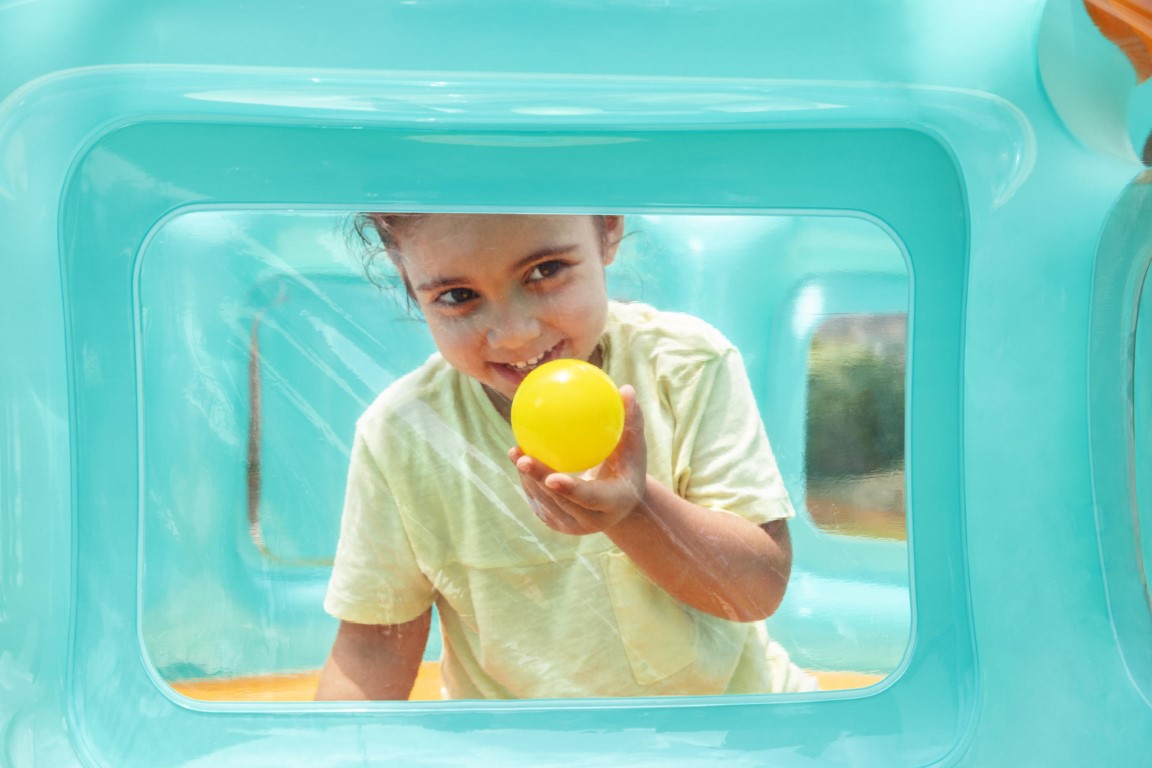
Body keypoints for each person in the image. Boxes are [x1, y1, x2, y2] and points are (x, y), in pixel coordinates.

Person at [315, 213, 815, 700]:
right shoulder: (402, 434)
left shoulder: (683, 367)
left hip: (725, 728)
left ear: (608, 228)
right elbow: (375, 646)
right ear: (405, 274)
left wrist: (637, 510)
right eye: (458, 296)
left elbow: (757, 591)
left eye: (545, 270)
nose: (514, 332)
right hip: (522, 741)